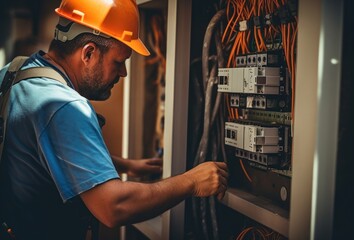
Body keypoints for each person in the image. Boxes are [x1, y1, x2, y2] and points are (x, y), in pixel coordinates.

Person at [0, 0, 228, 239]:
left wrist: (124, 165)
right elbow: (113, 207)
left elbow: (39, 149)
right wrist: (192, 181)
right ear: (88, 52)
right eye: (119, 62)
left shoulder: (13, 72)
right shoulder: (66, 106)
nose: (123, 73)